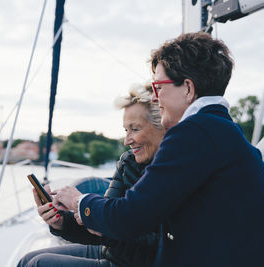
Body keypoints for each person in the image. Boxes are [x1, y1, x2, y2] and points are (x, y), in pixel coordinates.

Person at [54, 32, 264, 266]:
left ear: (188, 89)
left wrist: (79, 201)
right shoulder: (222, 131)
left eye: (158, 87)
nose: (154, 97)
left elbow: (130, 217)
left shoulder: (194, 133)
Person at [17, 84, 165, 267]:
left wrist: (83, 205)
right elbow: (103, 225)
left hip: (136, 262)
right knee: (26, 260)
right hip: (113, 252)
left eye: (135, 129)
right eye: (126, 130)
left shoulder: (172, 171)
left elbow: (154, 242)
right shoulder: (128, 162)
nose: (127, 140)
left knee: (38, 264)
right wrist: (62, 222)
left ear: (163, 126)